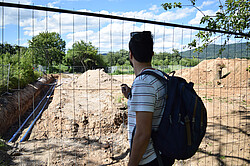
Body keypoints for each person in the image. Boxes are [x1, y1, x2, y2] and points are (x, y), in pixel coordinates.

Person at [121, 31, 175, 166]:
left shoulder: (143, 83)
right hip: (163, 151)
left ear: (130, 55)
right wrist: (130, 96)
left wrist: (132, 164)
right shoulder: (158, 76)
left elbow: (143, 134)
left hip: (150, 158)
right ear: (152, 54)